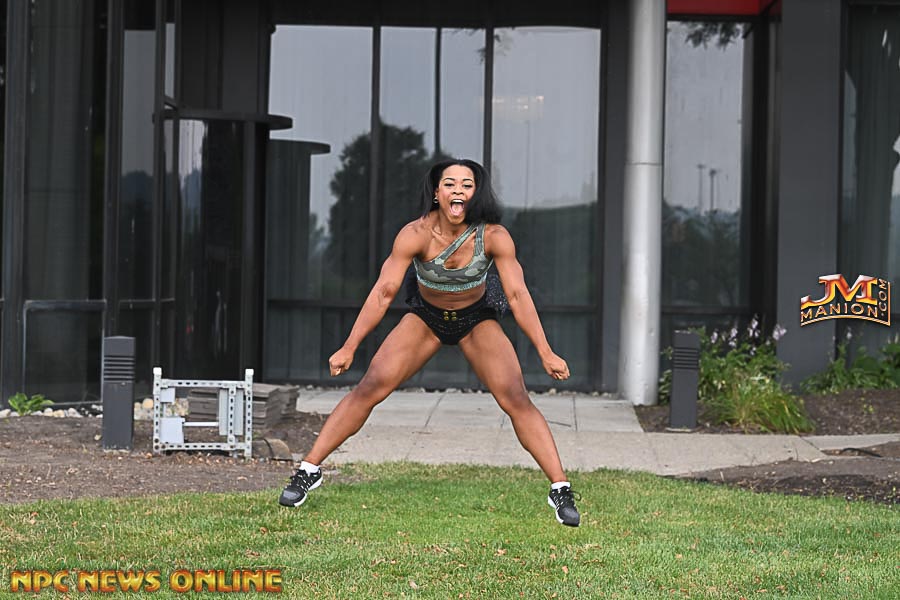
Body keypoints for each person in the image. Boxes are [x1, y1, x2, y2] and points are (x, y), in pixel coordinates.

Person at [279, 159, 581, 527]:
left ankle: (560, 489)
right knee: (370, 386)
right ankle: (308, 470)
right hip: (426, 318)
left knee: (516, 398)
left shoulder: (494, 236)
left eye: (467, 185)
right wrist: (349, 346)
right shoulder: (415, 234)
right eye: (450, 184)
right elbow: (384, 291)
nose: (458, 190)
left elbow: (517, 295)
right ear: (437, 193)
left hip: (475, 320)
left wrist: (546, 352)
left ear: (475, 193)